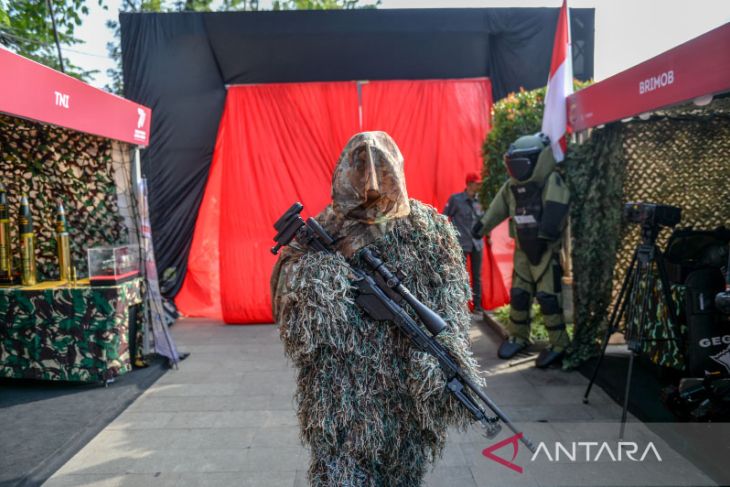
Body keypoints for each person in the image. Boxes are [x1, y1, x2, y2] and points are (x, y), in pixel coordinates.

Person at [271, 131, 483, 486]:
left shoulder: (428, 230)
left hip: (405, 394)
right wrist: (324, 276)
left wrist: (446, 364)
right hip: (339, 394)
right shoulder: (323, 231)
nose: (370, 188)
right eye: (363, 179)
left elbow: (451, 310)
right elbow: (294, 326)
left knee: (402, 473)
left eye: (378, 178)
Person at [475, 133, 571, 368]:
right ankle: (518, 336)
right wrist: (481, 226)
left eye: (520, 163)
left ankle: (559, 344)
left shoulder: (551, 181)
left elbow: (557, 207)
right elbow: (498, 208)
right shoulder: (512, 187)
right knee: (519, 295)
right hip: (522, 251)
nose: (515, 169)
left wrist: (547, 233)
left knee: (549, 298)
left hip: (546, 251)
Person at [444, 172, 485, 313]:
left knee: (477, 276)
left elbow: (484, 220)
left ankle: (477, 306)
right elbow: (444, 217)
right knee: (459, 274)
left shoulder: (481, 201)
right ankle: (459, 305)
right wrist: (448, 237)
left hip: (477, 244)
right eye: (476, 184)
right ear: (469, 184)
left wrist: (488, 236)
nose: (479, 186)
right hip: (461, 243)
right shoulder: (456, 200)